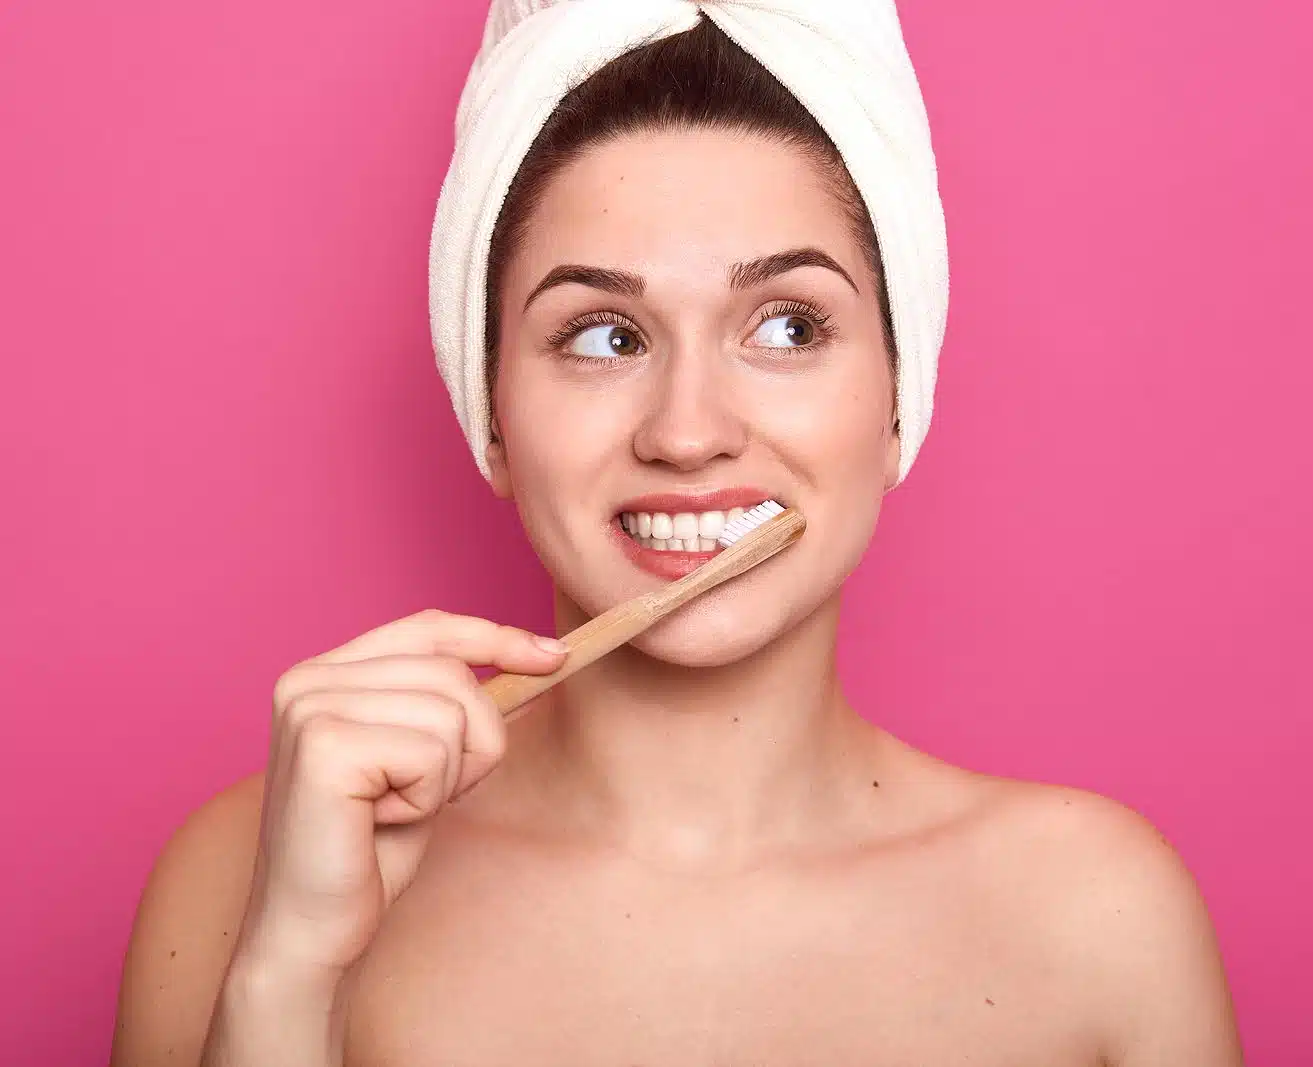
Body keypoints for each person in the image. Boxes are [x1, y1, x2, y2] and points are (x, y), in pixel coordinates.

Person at [113, 8, 1244, 1066]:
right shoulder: (242, 883)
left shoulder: (1102, 916)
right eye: (603, 335)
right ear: (491, 413)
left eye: (788, 325)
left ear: (902, 396)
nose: (689, 432)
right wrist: (286, 981)